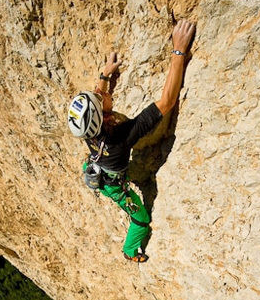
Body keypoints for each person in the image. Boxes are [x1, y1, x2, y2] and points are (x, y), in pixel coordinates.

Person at [68, 19, 195, 263]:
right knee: (141, 220)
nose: (101, 92)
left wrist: (105, 73)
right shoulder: (122, 137)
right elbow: (167, 101)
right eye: (101, 96)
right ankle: (129, 251)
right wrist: (179, 50)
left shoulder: (88, 129)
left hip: (95, 168)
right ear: (105, 118)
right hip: (114, 185)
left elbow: (97, 100)